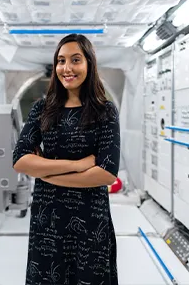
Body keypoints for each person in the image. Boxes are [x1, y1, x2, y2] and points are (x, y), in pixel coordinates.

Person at [13, 33, 120, 285]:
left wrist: (45, 172)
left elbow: (106, 173)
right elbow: (20, 159)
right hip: (47, 220)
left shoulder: (105, 111)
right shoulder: (43, 108)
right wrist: (78, 166)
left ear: (89, 64)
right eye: (61, 61)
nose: (67, 68)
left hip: (90, 221)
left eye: (75, 60)